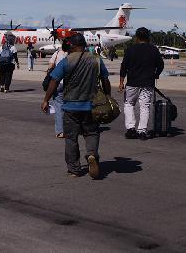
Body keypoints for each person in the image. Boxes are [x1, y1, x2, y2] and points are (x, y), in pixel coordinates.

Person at [41, 33, 112, 179]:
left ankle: (74, 169)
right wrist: (107, 96)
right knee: (91, 133)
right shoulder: (96, 60)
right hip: (92, 105)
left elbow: (54, 80)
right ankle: (91, 154)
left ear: (72, 45)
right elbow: (105, 79)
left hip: (71, 106)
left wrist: (46, 99)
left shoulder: (67, 60)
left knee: (71, 138)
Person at [120, 27, 164, 140]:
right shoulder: (154, 49)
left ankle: (130, 129)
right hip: (148, 82)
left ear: (137, 37)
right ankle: (142, 131)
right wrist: (156, 74)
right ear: (148, 37)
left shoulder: (131, 49)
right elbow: (161, 65)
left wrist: (121, 82)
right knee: (145, 106)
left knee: (129, 104)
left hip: (132, 82)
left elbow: (124, 66)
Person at [48, 40, 70, 138]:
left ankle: (61, 131)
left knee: (58, 107)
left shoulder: (56, 53)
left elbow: (50, 66)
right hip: (71, 84)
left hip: (59, 83)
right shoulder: (73, 55)